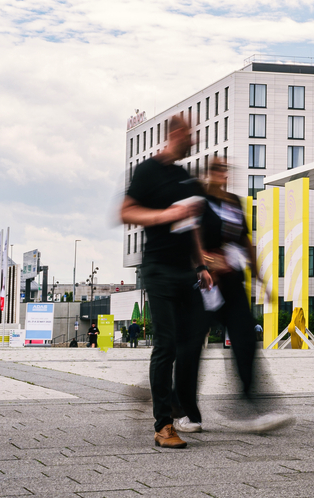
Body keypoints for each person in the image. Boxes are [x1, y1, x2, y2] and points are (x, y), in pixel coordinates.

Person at [120, 113, 211, 450]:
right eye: (191, 134)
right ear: (176, 134)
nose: (195, 139)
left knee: (191, 343)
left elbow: (192, 226)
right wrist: (164, 215)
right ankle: (163, 425)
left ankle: (173, 403)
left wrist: (201, 264)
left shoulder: (184, 177)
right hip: (157, 269)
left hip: (186, 271)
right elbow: (126, 212)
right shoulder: (147, 171)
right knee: (167, 344)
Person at [195, 158, 293, 433]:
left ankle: (252, 404)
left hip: (234, 284)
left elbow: (245, 241)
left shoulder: (234, 203)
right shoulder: (199, 202)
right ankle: (180, 406)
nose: (222, 174)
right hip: (205, 285)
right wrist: (209, 262)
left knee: (246, 341)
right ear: (208, 174)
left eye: (225, 169)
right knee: (190, 347)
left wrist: (261, 277)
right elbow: (191, 241)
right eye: (216, 169)